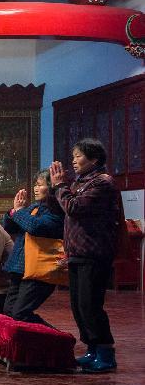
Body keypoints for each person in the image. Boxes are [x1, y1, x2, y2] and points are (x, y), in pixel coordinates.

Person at [51, 138, 121, 372]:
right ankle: (92, 349)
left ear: (94, 159)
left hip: (94, 253)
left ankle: (106, 353)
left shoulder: (102, 183)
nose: (73, 160)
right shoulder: (81, 182)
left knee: (91, 305)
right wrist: (57, 189)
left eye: (78, 156)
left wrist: (60, 187)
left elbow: (74, 208)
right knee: (79, 306)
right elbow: (65, 208)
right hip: (78, 253)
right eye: (73, 155)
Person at [1, 171, 65, 325]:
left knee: (20, 313)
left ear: (51, 187)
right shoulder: (34, 207)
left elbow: (35, 226)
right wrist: (13, 211)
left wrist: (19, 212)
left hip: (40, 269)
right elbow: (10, 227)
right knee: (9, 311)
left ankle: (57, 340)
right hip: (20, 267)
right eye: (35, 185)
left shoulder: (57, 210)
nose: (36, 189)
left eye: (40, 185)